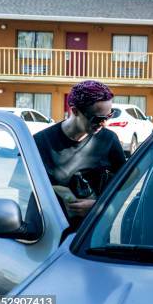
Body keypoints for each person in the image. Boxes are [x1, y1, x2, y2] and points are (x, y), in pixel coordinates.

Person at [34, 80, 126, 227]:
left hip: (91, 232)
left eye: (109, 116)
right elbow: (24, 188)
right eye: (98, 118)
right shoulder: (40, 142)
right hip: (50, 230)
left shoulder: (108, 139)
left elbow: (125, 184)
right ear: (75, 111)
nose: (104, 124)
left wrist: (99, 205)